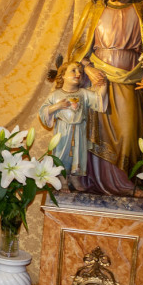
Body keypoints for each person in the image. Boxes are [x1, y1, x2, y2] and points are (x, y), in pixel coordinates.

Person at [65, 0, 143, 195]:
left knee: (128, 132)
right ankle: (91, 182)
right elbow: (78, 47)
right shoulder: (94, 9)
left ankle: (127, 183)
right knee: (95, 131)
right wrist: (88, 68)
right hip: (98, 78)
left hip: (132, 77)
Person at [38, 60, 106, 190]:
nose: (78, 74)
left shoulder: (83, 93)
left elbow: (98, 100)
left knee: (78, 155)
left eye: (80, 72)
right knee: (62, 155)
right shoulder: (56, 95)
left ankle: (75, 179)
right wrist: (57, 106)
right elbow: (43, 111)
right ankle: (63, 180)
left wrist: (104, 84)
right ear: (63, 75)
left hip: (79, 129)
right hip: (63, 130)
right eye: (73, 70)